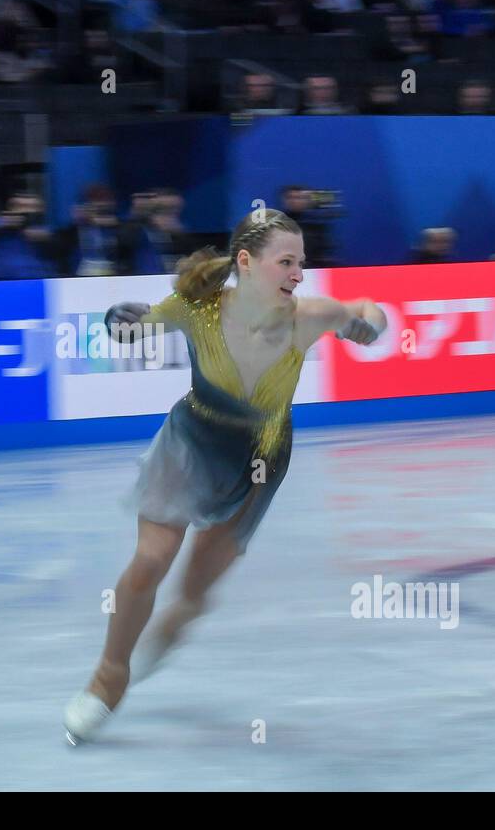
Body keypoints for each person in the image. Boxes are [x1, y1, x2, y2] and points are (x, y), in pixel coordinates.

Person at [63, 209, 386, 743]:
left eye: (301, 263)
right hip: (191, 442)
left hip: (259, 461)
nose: (299, 274)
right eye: (287, 262)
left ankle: (156, 648)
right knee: (150, 561)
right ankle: (108, 677)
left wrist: (370, 322)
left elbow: (368, 311)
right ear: (247, 262)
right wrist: (121, 323)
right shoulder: (199, 308)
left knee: (193, 595)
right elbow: (135, 326)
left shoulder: (310, 316)